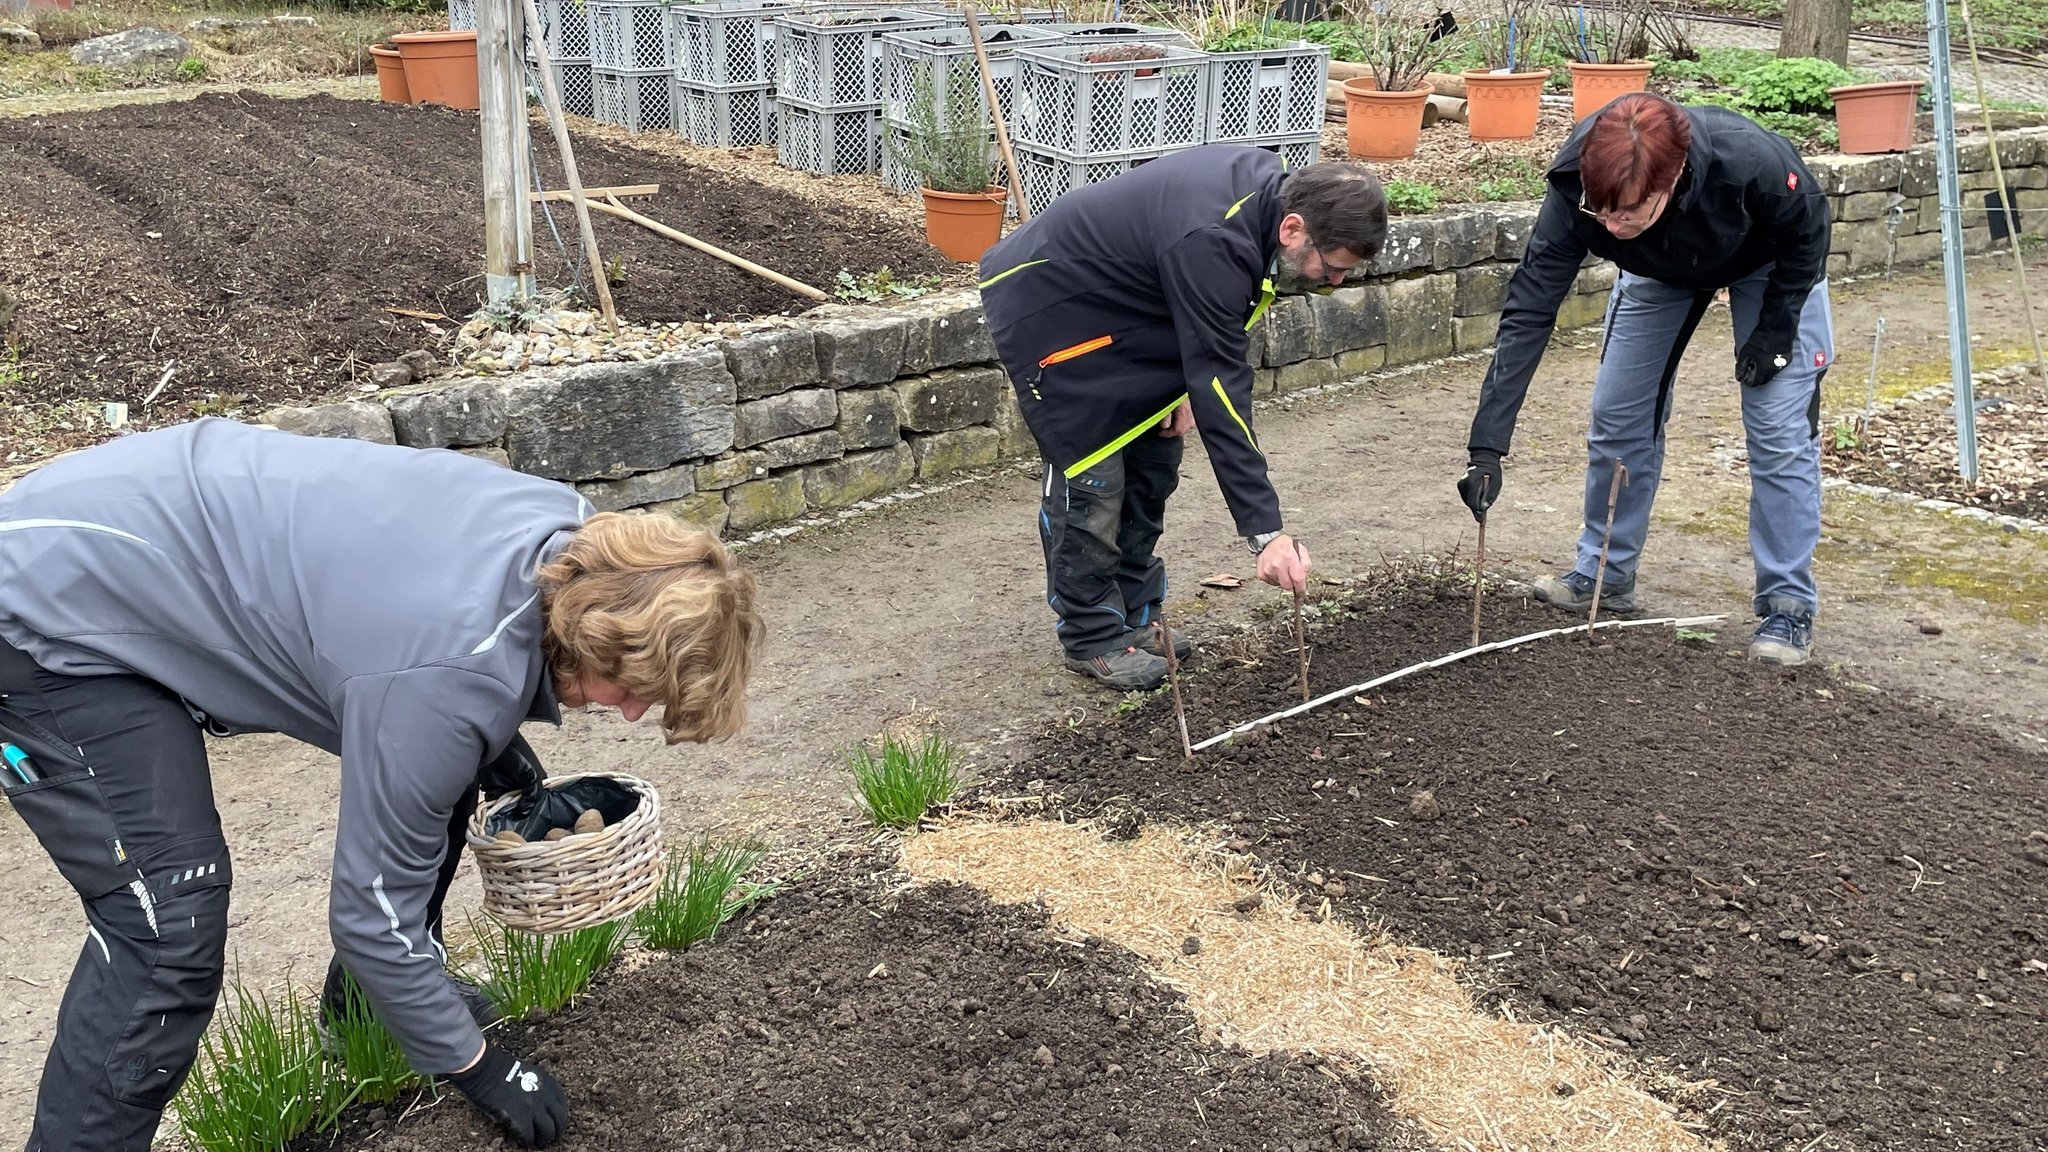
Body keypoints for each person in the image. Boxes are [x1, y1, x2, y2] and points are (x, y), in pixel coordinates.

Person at [0, 418, 761, 1151]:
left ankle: (364, 1011)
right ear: (592, 633)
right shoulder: (449, 676)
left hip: (149, 518)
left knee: (440, 771)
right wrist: (480, 1067)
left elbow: (421, 643)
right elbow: (368, 911)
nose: (630, 713)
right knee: (170, 923)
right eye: (634, 687)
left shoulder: (569, 537)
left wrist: (489, 742)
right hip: (42, 606)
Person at [980, 146, 1389, 690]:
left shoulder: (1267, 203)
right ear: (1294, 228)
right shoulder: (1214, 237)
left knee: (1153, 467)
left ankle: (1132, 615)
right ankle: (1091, 636)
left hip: (1133, 308)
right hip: (1055, 312)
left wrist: (1186, 381)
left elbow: (1208, 341)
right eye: (1333, 267)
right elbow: (1224, 385)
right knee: (1095, 480)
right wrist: (1264, 533)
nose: (1335, 282)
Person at [1455, 93, 1834, 665]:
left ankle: (1787, 603)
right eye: (1600, 212)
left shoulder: (1748, 160)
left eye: (1626, 211)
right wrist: (1487, 447)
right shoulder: (1576, 188)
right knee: (1617, 414)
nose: (1610, 224)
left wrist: (1776, 331)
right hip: (1656, 268)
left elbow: (1808, 228)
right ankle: (1605, 572)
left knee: (1778, 433)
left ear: (1674, 177)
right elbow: (1531, 309)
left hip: (1769, 265)